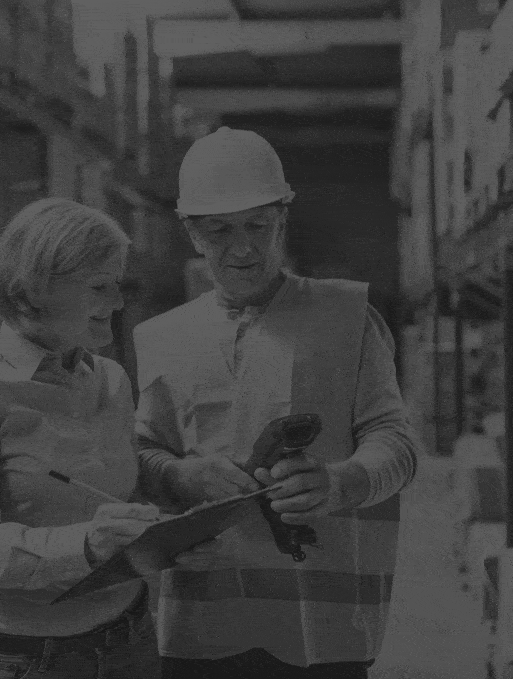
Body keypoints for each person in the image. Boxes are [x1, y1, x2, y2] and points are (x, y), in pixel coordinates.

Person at [133, 127, 420, 679]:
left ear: (282, 221)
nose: (243, 248)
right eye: (219, 231)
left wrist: (340, 482)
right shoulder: (160, 338)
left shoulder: (347, 318)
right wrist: (180, 478)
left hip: (322, 631)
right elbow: (143, 454)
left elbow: (397, 442)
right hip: (199, 626)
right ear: (192, 233)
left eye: (258, 226)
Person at [0, 198, 209, 679]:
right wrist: (89, 546)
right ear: (31, 292)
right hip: (26, 660)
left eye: (116, 284)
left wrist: (173, 522)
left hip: (130, 642)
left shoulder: (110, 379)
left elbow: (115, 488)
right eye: (99, 286)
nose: (117, 303)